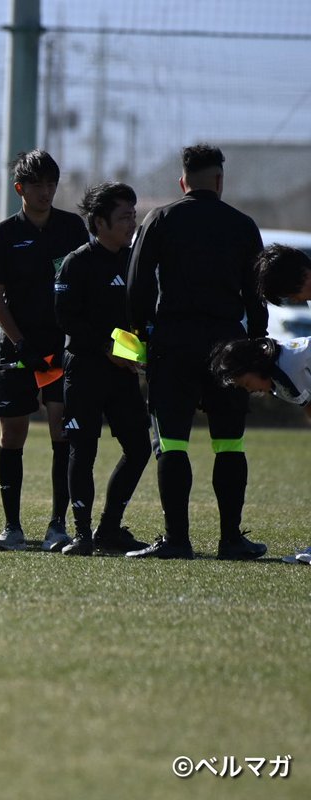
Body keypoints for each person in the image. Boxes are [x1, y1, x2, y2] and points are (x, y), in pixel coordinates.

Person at [126, 143, 268, 560]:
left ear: (182, 181)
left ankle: (177, 539)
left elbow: (138, 285)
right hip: (229, 344)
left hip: (174, 342)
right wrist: (255, 346)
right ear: (220, 180)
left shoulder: (161, 218)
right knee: (229, 444)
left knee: (172, 443)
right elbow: (256, 295)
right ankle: (230, 539)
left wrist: (143, 335)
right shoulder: (243, 225)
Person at [0, 149, 89, 552]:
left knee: (61, 427)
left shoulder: (72, 228)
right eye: (37, 185)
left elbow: (85, 285)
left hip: (61, 347)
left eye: (51, 184)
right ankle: (12, 527)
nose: (46, 192)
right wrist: (21, 344)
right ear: (19, 189)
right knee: (14, 431)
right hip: (18, 347)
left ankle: (58, 525)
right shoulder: (5, 234)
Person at [53, 183, 152, 556]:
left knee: (140, 447)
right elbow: (65, 318)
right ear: (99, 222)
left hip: (123, 374)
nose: (132, 223)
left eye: (133, 215)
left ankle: (109, 529)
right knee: (83, 450)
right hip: (85, 371)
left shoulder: (136, 260)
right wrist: (105, 346)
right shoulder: (77, 262)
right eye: (125, 216)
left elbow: (144, 314)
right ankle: (81, 534)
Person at [210, 335, 311, 563]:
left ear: (255, 366)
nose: (250, 390)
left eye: (247, 383)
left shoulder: (289, 368)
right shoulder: (279, 370)